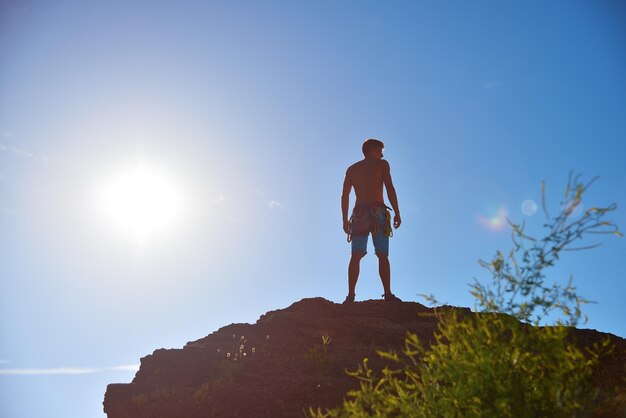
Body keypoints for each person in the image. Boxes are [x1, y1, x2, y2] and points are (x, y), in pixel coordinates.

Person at [341, 138, 402, 303]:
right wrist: (397, 211)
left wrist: (345, 219)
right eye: (380, 150)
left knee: (356, 255)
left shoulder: (352, 169)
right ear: (372, 149)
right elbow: (389, 187)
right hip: (378, 213)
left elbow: (345, 196)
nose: (382, 154)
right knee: (382, 254)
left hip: (359, 214)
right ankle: (387, 294)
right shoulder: (382, 165)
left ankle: (351, 295)